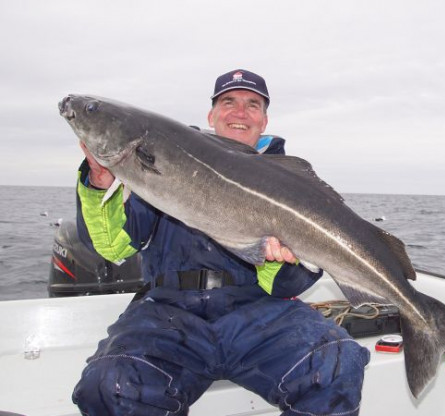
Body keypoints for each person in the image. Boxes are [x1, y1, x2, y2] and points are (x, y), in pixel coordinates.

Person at [72, 69, 370, 416]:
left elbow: (286, 286)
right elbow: (113, 247)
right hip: (168, 312)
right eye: (229, 102)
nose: (240, 112)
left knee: (337, 364)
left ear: (264, 120)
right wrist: (98, 183)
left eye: (252, 105)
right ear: (211, 115)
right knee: (109, 385)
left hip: (260, 313)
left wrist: (272, 260)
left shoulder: (289, 184)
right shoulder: (166, 159)